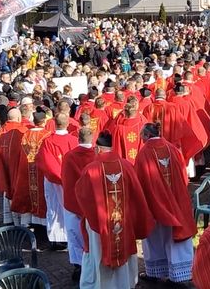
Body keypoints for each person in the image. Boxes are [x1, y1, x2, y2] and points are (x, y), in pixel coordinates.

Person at [74, 130, 155, 289]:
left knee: (99, 253)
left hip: (100, 224)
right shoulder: (126, 166)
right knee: (124, 251)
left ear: (97, 148)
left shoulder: (91, 169)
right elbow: (137, 194)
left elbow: (82, 196)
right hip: (123, 220)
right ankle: (126, 283)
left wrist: (91, 218)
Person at [135, 123, 196, 284]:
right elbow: (184, 175)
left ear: (147, 135)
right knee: (173, 237)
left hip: (155, 203)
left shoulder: (144, 153)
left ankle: (155, 272)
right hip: (176, 200)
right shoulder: (173, 149)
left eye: (142, 135)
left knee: (155, 238)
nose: (141, 139)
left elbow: (140, 180)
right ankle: (179, 274)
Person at [37, 113, 77, 248]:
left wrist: (55, 174)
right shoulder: (73, 141)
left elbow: (43, 161)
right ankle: (69, 237)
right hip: (69, 180)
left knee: (53, 207)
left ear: (54, 123)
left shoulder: (47, 141)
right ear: (67, 124)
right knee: (69, 208)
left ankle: (55, 239)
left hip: (52, 179)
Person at [61, 127, 96, 281]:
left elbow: (66, 180)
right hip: (93, 203)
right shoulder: (98, 155)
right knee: (93, 236)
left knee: (75, 235)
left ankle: (79, 266)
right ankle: (94, 264)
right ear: (92, 139)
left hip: (74, 202)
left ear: (78, 139)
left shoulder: (69, 157)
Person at [11, 112, 49, 228]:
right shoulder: (47, 134)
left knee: (27, 193)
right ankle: (43, 224)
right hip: (40, 170)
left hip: (26, 169)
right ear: (43, 122)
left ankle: (27, 221)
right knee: (42, 195)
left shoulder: (26, 134)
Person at [0, 108, 28, 225]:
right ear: (18, 118)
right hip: (18, 168)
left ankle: (10, 219)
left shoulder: (0, 131)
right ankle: (22, 222)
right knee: (18, 191)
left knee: (7, 191)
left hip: (4, 166)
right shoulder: (23, 131)